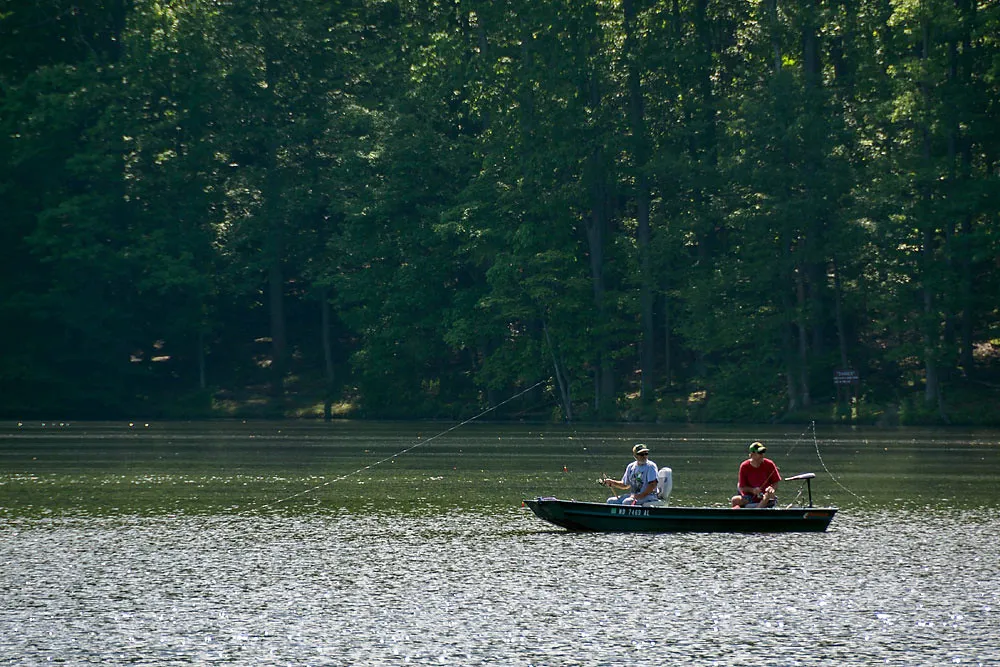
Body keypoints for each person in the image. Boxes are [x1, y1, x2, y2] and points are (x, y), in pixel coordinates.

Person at [731, 441, 781, 508]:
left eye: (763, 452)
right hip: (750, 497)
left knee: (767, 496)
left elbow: (776, 482)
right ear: (752, 454)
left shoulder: (770, 464)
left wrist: (772, 489)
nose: (762, 455)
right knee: (735, 500)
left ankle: (756, 513)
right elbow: (742, 487)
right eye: (759, 453)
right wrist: (752, 490)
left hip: (766, 496)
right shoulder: (744, 466)